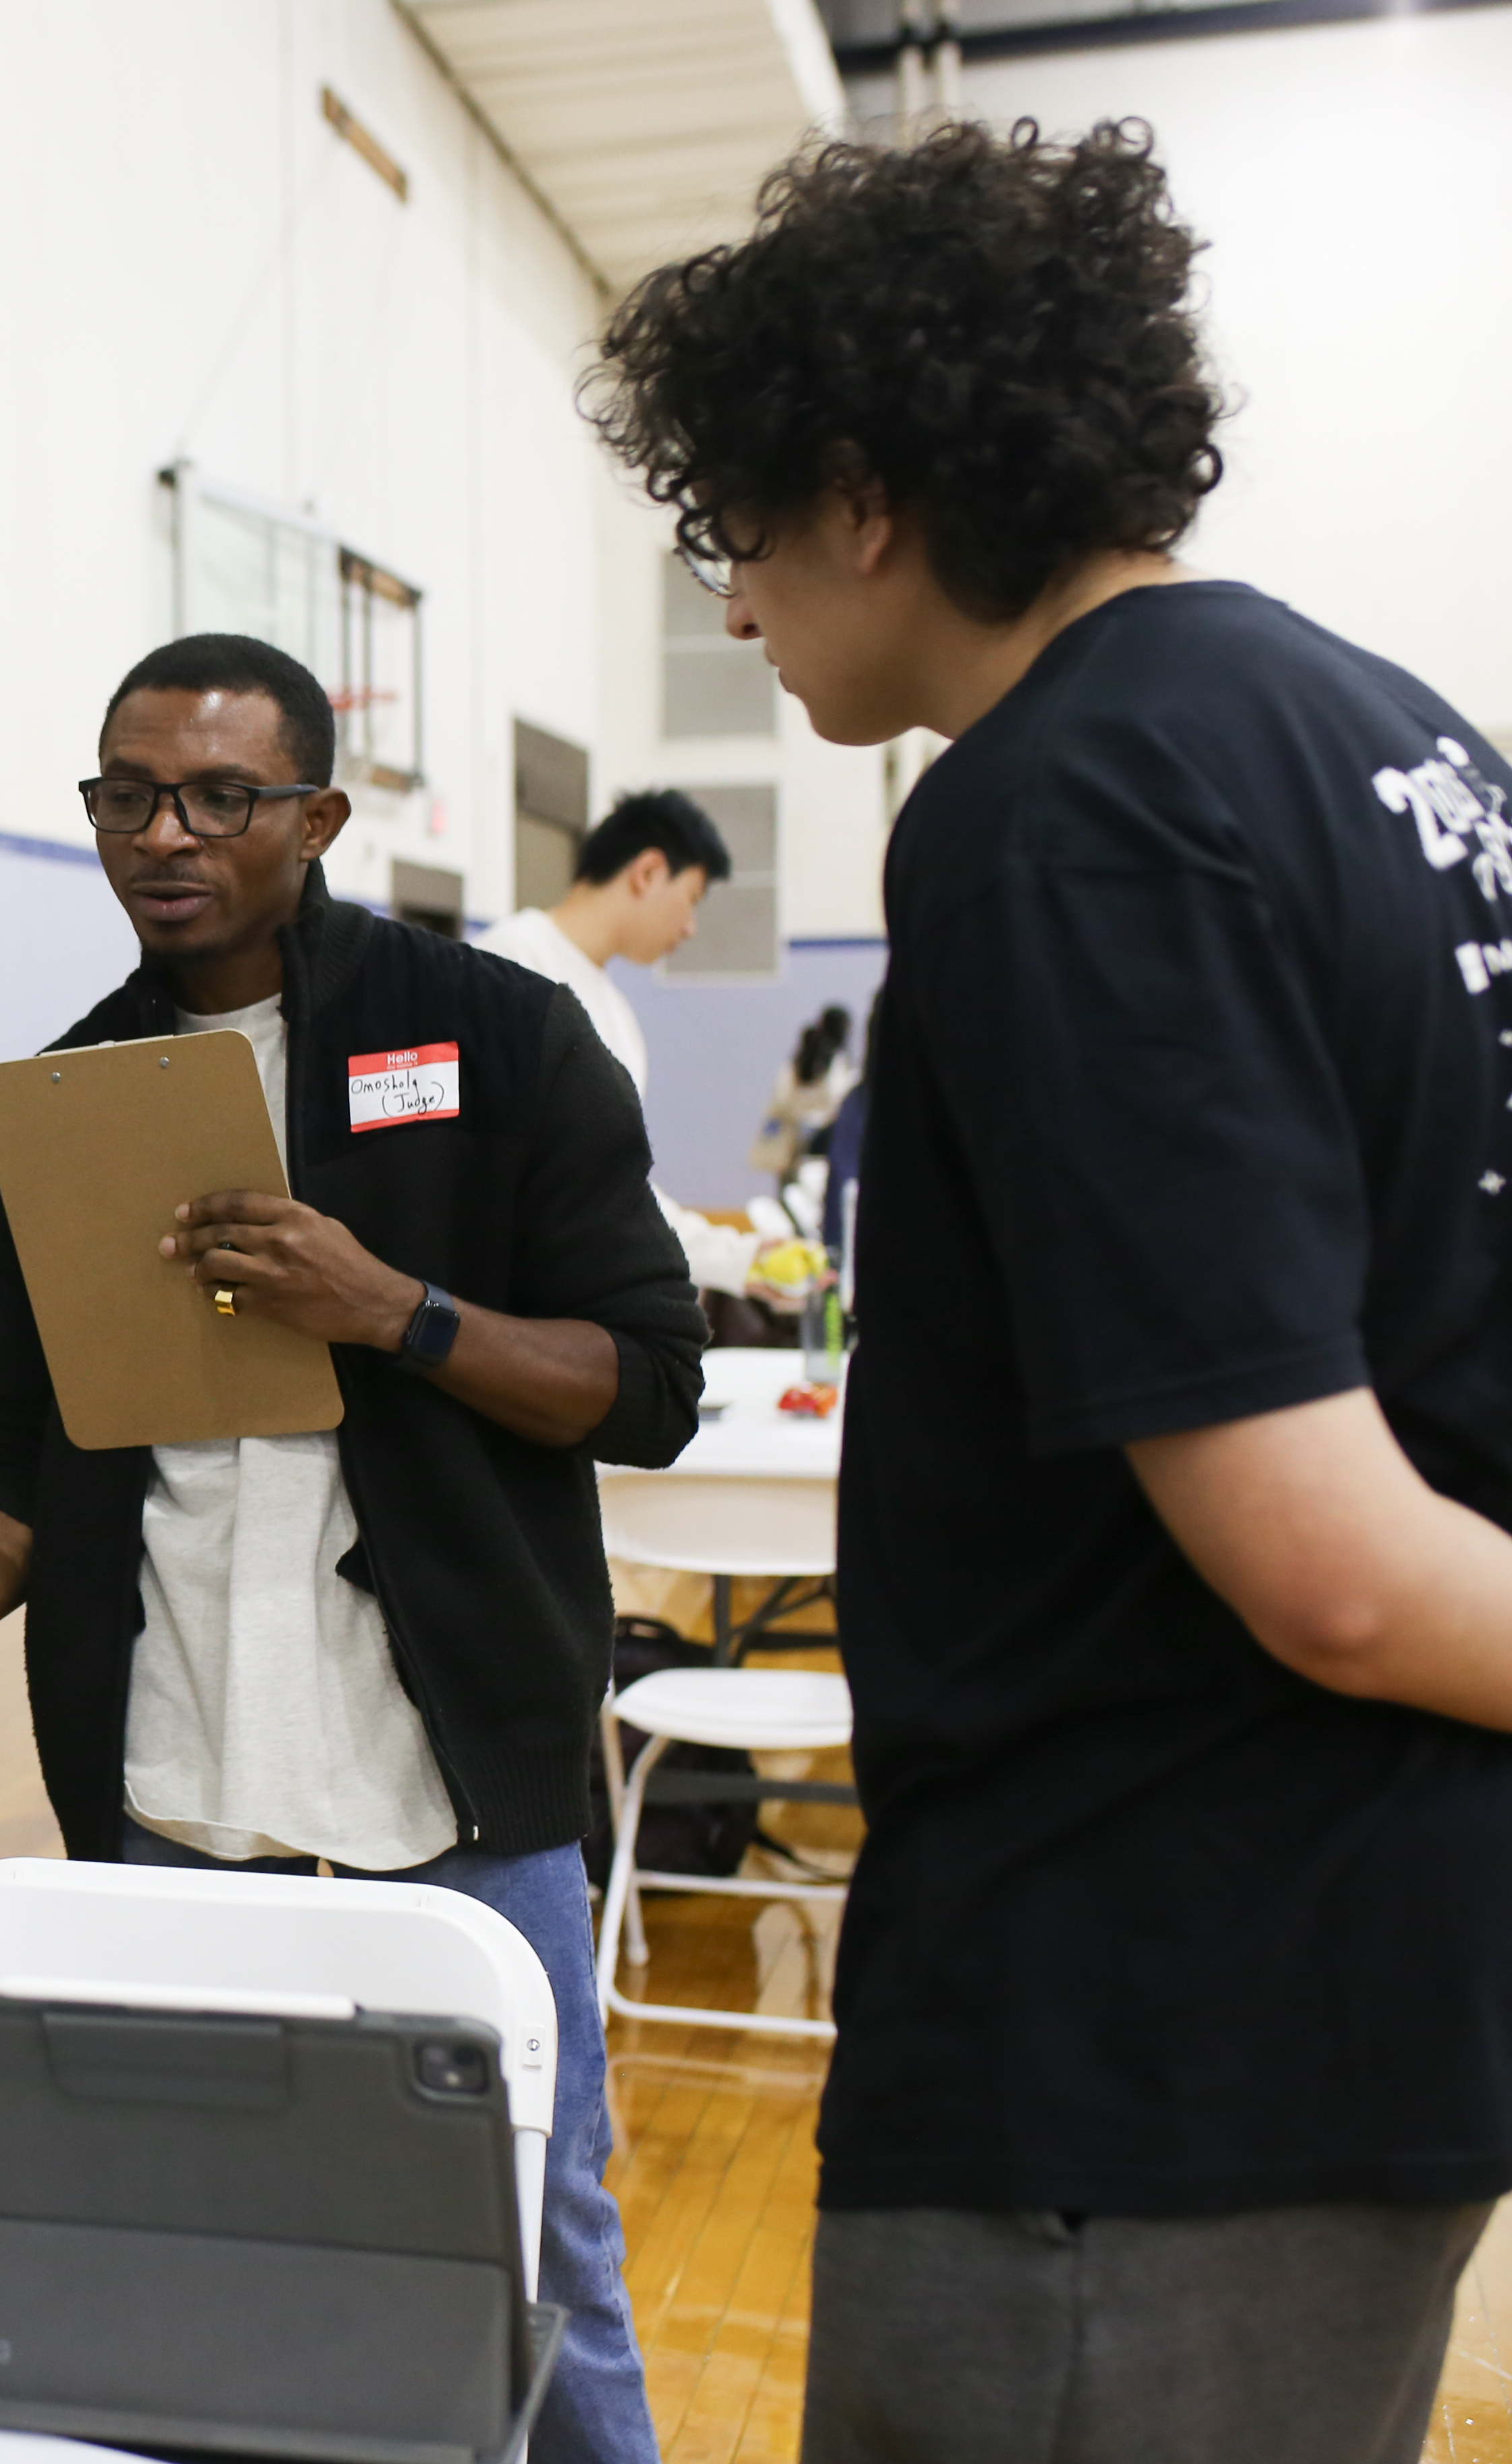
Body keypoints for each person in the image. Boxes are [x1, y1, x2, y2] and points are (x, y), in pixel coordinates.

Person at [593, 120, 1512, 2464]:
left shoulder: (1064, 797)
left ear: (862, 490)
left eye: (737, 534)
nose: (736, 604)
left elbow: (1325, 1559)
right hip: (1383, 1974)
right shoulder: (1413, 750)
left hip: (1147, 2021)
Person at [0, 632, 706, 2464]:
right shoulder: (62, 1098)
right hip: (172, 1774)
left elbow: (650, 1388)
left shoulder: (495, 1037)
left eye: (221, 796)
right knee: (189, 2238)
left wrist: (397, 1313)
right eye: (127, 796)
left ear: (317, 815)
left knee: (543, 2242)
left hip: (454, 1779)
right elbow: (29, 1453)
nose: (168, 833)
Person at [477, 788, 762, 1297]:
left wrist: (741, 1261)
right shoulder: (510, 959)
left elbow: (619, 1185)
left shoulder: (616, 1013)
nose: (691, 928)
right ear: (649, 872)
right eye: (692, 899)